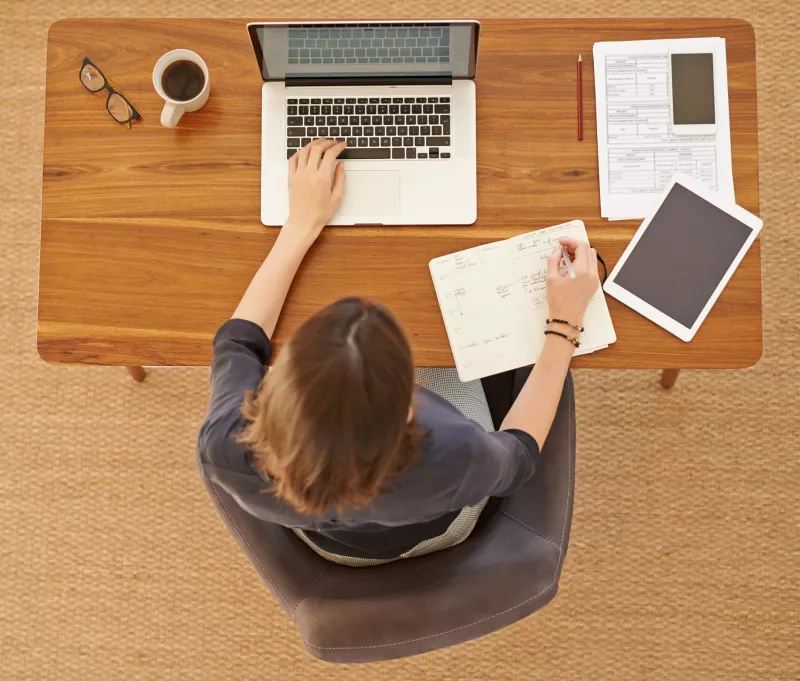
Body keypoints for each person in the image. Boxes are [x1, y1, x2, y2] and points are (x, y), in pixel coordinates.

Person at [197, 139, 599, 566]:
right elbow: (519, 454)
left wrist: (300, 224)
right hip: (435, 527)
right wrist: (564, 325)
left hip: (330, 542)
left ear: (279, 386)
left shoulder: (224, 447)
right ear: (410, 408)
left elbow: (237, 341)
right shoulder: (453, 452)